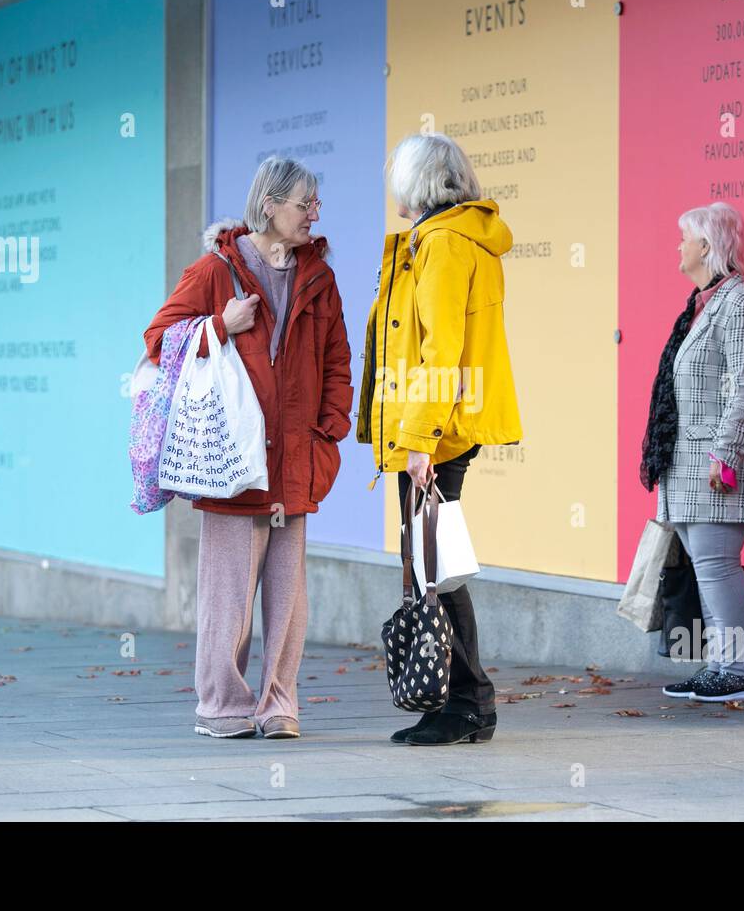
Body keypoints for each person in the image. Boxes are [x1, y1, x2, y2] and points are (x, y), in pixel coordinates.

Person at [143, 156, 352, 739]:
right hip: (234, 462)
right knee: (227, 595)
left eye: (315, 203)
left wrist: (327, 430)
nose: (315, 214)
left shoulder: (319, 275)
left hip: (297, 460)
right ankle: (224, 706)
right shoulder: (216, 270)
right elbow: (158, 340)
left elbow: (337, 358)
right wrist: (218, 325)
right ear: (269, 206)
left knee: (288, 599)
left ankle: (279, 704)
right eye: (304, 204)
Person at [356, 132, 523, 745]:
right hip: (434, 426)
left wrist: (420, 439)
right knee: (434, 561)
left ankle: (468, 702)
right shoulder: (442, 240)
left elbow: (440, 350)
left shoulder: (446, 245)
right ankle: (463, 700)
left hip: (436, 431)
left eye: (398, 175)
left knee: (435, 565)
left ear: (417, 183)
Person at [640, 201, 744, 702]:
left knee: (719, 566)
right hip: (690, 465)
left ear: (707, 245)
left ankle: (738, 670)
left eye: (685, 238)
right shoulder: (701, 304)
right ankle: (721, 664)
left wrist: (727, 456)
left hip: (717, 465)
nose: (677, 246)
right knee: (707, 566)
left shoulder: (742, 303)